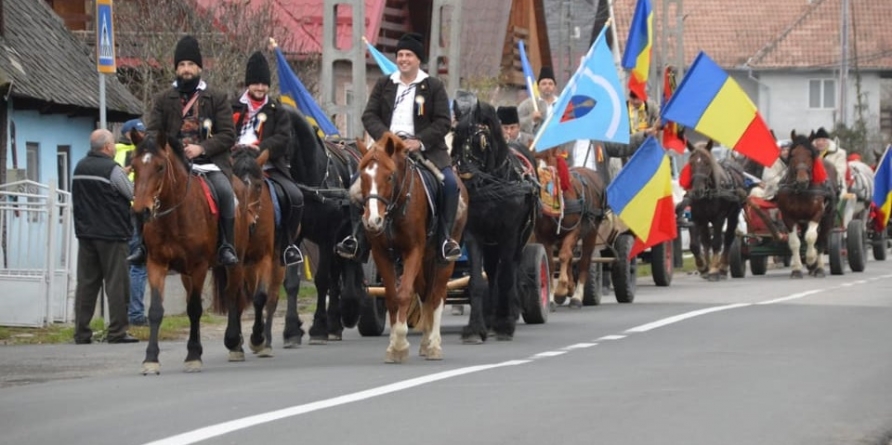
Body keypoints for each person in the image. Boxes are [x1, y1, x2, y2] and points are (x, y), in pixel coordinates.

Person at [336, 32, 461, 261]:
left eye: (408, 55)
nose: (403, 59)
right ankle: (356, 237)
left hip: (424, 150)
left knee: (450, 185)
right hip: (387, 150)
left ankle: (445, 239)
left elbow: (443, 121)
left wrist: (419, 140)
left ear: (418, 59)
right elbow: (369, 115)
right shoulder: (385, 83)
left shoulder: (433, 86)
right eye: (400, 55)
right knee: (356, 184)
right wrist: (388, 138)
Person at [130, 35, 238, 266]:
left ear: (199, 68)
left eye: (190, 64)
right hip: (171, 163)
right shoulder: (163, 98)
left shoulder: (217, 98)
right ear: (176, 69)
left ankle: (226, 246)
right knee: (142, 191)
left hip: (208, 163)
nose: (186, 69)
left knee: (226, 192)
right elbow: (153, 130)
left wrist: (201, 148)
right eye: (181, 65)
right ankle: (141, 245)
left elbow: (228, 134)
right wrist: (163, 147)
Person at [232, 51, 304, 266]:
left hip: (268, 165)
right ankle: (222, 244)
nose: (260, 88)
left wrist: (260, 148)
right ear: (248, 84)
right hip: (235, 165)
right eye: (256, 83)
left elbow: (283, 138)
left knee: (296, 197)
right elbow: (223, 132)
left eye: (264, 84)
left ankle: (287, 245)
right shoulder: (232, 106)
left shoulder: (277, 109)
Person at [72, 129, 138, 344]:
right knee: (116, 284)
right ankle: (117, 331)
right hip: (112, 234)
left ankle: (81, 332)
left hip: (86, 232)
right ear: (108, 147)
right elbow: (132, 193)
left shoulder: (80, 166)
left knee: (86, 284)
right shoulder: (113, 169)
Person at [115, 119, 147, 326]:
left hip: (118, 214)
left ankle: (122, 313)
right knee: (138, 264)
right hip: (135, 212)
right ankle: (135, 314)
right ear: (129, 135)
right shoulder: (136, 154)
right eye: (138, 133)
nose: (142, 136)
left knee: (124, 264)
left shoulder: (113, 152)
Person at [518, 67, 558, 136]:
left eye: (550, 84)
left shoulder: (562, 103)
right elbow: (516, 124)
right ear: (538, 87)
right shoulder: (527, 104)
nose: (547, 86)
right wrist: (532, 119)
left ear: (554, 87)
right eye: (544, 84)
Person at [812, 127, 848, 197]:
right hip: (815, 185)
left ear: (828, 141)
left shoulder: (839, 153)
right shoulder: (810, 153)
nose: (820, 143)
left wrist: (825, 179)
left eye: (823, 140)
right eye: (818, 140)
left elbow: (840, 171)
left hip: (834, 184)